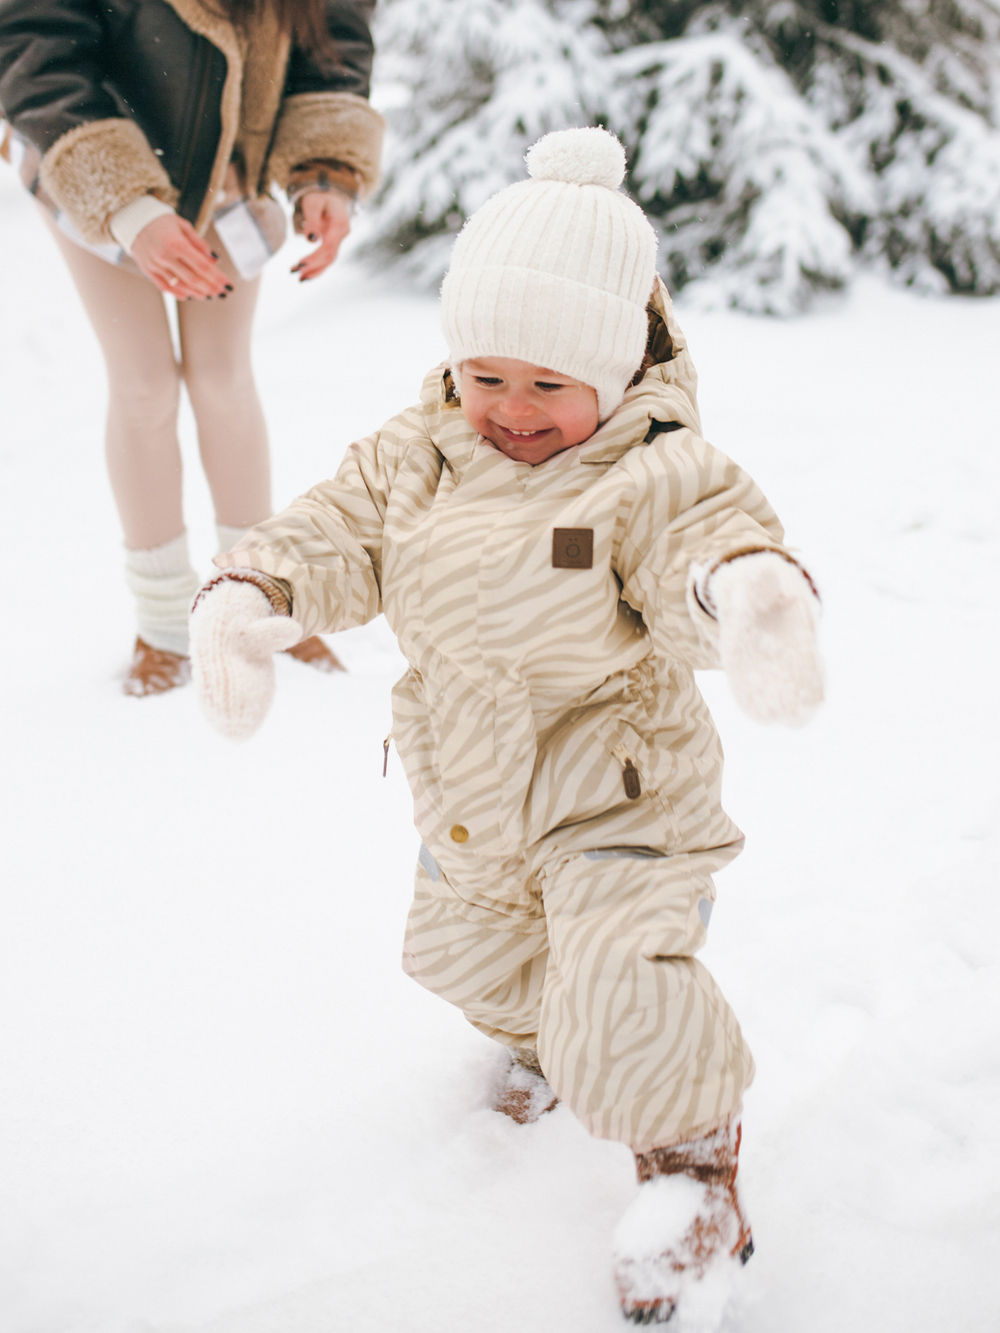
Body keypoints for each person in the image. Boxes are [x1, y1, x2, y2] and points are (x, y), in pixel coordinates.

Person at [186, 127, 824, 1326]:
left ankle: (691, 1171)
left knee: (617, 972)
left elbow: (699, 538)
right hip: (471, 785)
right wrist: (255, 590)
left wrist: (740, 596)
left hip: (619, 787)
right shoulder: (416, 453)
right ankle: (548, 1039)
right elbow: (337, 531)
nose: (512, 411)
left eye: (548, 385)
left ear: (617, 369)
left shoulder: (648, 467)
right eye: (487, 375)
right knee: (465, 957)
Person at [0, 0, 382, 693]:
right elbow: (34, 48)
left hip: (226, 162)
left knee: (222, 378)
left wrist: (324, 169)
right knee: (144, 384)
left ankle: (254, 599)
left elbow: (333, 41)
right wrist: (129, 204)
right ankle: (165, 625)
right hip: (88, 151)